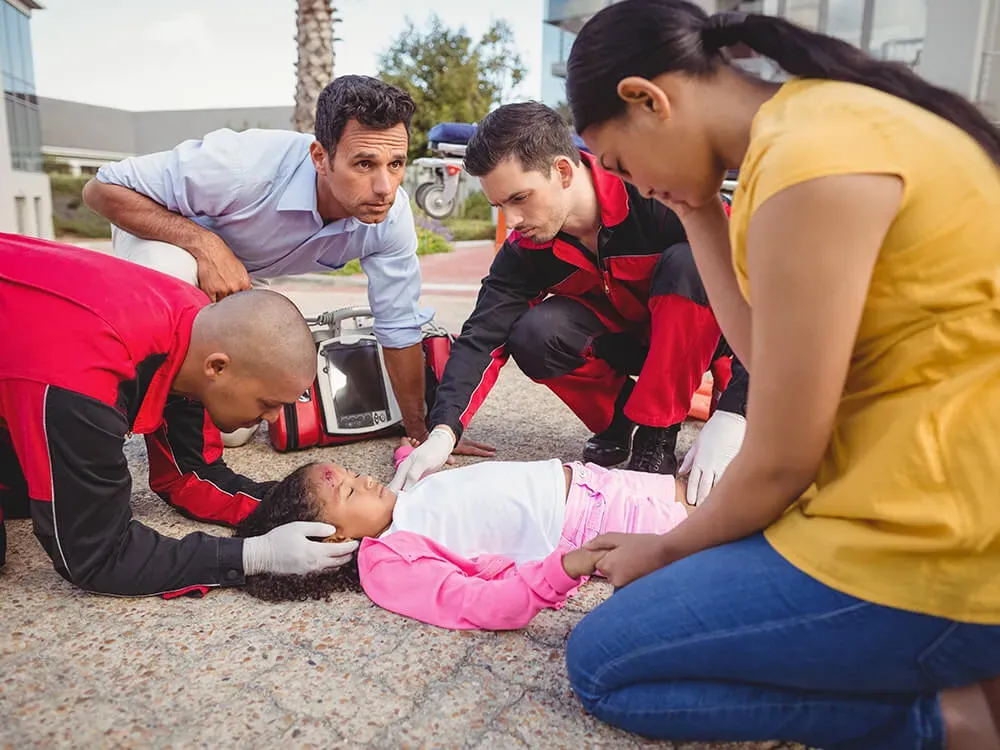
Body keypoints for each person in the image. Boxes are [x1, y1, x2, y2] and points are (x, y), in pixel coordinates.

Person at [556, 1, 1000, 749]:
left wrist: (666, 547)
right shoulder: (807, 132)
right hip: (923, 504)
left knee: (604, 662)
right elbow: (770, 359)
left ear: (648, 99)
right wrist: (697, 212)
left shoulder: (812, 166)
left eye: (623, 165)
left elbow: (784, 458)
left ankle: (948, 722)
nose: (632, 187)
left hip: (942, 543)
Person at [83, 74, 486, 458]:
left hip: (238, 280)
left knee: (233, 427)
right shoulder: (240, 165)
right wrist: (205, 245)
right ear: (320, 158)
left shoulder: (390, 218)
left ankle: (179, 409)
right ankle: (101, 425)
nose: (385, 187)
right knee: (170, 276)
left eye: (395, 164)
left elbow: (398, 325)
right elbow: (100, 190)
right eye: (364, 164)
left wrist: (420, 431)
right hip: (166, 240)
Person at [391, 101, 748, 498]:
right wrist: (443, 431)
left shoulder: (659, 193)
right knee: (534, 332)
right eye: (499, 206)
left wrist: (737, 410)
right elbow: (482, 335)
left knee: (690, 261)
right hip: (632, 340)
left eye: (520, 198)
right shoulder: (527, 246)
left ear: (562, 171)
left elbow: (775, 295)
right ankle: (619, 423)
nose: (512, 221)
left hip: (716, 340)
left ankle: (655, 435)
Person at [0, 233, 358, 596]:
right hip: (57, 364)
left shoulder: (198, 327)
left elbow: (188, 476)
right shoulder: (86, 384)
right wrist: (254, 555)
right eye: (267, 403)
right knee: (60, 506)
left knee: (57, 489)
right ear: (217, 367)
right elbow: (99, 556)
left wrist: (312, 510)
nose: (274, 419)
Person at [233, 439, 689, 630]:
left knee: (712, 492)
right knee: (732, 522)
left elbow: (411, 475)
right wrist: (570, 566)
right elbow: (477, 605)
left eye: (353, 473)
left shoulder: (393, 503)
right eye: (350, 491)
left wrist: (416, 446)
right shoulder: (387, 559)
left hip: (592, 481)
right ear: (330, 538)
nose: (365, 481)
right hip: (595, 523)